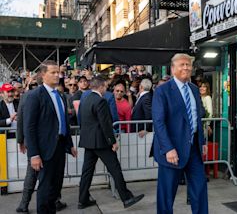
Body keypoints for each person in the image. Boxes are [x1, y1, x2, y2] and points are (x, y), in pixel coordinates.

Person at [152, 53, 208, 214]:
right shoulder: (162, 91)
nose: (186, 67)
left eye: (188, 65)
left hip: (194, 150)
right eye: (182, 64)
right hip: (172, 151)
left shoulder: (194, 89)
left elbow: (198, 118)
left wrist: (202, 142)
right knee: (167, 195)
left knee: (199, 189)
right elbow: (159, 122)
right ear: (173, 68)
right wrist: (168, 148)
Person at [78, 76, 144, 209]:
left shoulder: (85, 99)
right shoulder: (100, 101)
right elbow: (106, 124)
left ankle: (82, 200)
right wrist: (112, 141)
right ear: (101, 86)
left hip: (88, 141)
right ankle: (126, 198)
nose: (106, 89)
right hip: (101, 142)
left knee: (87, 171)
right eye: (106, 87)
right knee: (115, 169)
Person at [23, 60, 77, 213]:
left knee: (56, 187)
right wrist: (33, 154)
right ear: (42, 75)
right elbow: (29, 127)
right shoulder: (35, 96)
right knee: (45, 189)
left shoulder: (60, 95)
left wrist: (70, 144)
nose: (57, 75)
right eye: (53, 72)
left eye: (58, 72)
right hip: (45, 150)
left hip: (60, 147)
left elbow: (63, 122)